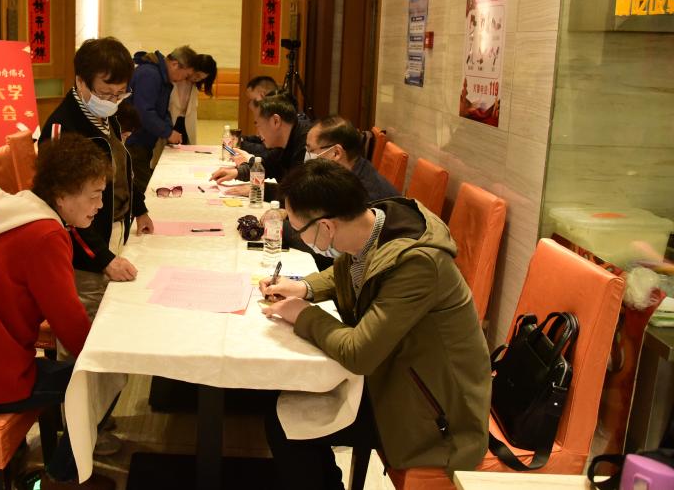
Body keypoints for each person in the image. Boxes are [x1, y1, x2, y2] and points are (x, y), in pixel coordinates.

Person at [259, 160, 491, 490]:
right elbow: (350, 270)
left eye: (299, 229)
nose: (298, 236)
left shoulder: (416, 263)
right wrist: (304, 288)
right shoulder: (373, 226)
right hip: (398, 378)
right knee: (288, 402)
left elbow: (359, 353)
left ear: (326, 227)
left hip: (432, 415)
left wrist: (303, 314)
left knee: (287, 422)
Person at [0, 134, 117, 490]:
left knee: (87, 370)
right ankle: (61, 478)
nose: (100, 205)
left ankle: (63, 438)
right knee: (106, 374)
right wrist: (111, 354)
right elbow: (71, 328)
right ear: (62, 195)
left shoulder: (11, 214)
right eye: (94, 195)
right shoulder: (45, 235)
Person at [40, 37, 152, 326]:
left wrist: (139, 208)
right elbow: (63, 210)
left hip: (112, 232)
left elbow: (120, 165)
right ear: (81, 81)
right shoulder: (63, 128)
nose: (113, 101)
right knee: (89, 329)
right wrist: (103, 258)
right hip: (84, 258)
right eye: (105, 93)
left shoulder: (104, 114)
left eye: (120, 94)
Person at [125, 46, 214, 195]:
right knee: (143, 191)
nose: (184, 80)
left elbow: (162, 111)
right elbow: (144, 112)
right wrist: (167, 132)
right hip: (133, 140)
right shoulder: (150, 74)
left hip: (143, 141)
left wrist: (170, 129)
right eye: (186, 75)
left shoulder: (161, 77)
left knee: (142, 188)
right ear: (175, 64)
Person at [210, 93, 307, 200]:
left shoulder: (306, 142)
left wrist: (258, 188)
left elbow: (299, 193)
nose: (257, 133)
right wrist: (237, 172)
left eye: (259, 125)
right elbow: (268, 165)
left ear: (276, 121)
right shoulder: (286, 138)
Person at [306, 116, 400, 202]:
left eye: (311, 150)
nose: (308, 155)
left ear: (336, 153)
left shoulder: (361, 197)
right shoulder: (348, 171)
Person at [168, 53, 217, 145]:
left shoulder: (194, 86)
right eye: (197, 75)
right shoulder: (175, 79)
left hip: (186, 124)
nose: (197, 79)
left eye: (201, 78)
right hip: (168, 122)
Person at [240, 75, 279, 157]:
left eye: (252, 100)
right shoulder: (269, 112)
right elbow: (261, 139)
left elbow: (270, 151)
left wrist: (241, 144)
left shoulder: (278, 114)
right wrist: (241, 139)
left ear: (263, 95)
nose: (250, 105)